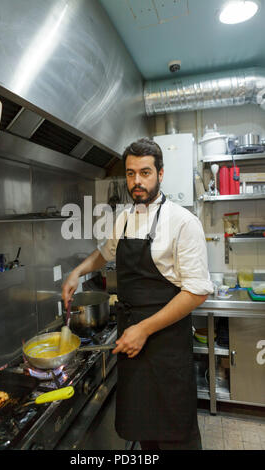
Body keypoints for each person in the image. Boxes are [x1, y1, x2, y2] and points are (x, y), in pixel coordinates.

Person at [62, 137, 214, 450]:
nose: (137, 181)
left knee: (175, 436)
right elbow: (104, 253)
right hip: (132, 343)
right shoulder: (125, 218)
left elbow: (197, 292)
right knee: (146, 436)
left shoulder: (183, 222)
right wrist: (77, 272)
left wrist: (143, 329)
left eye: (145, 172)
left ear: (160, 173)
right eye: (131, 174)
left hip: (165, 345)